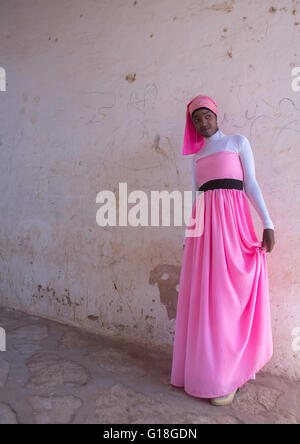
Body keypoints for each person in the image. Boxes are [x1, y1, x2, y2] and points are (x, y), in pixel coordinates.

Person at [170, 95, 275, 406]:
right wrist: (188, 235)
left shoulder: (237, 143)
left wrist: (268, 223)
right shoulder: (196, 158)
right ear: (193, 125)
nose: (203, 123)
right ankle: (211, 375)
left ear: (216, 116)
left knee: (231, 298)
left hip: (234, 228)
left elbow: (251, 184)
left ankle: (233, 374)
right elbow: (196, 196)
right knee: (208, 300)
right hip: (204, 235)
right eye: (197, 119)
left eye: (207, 117)